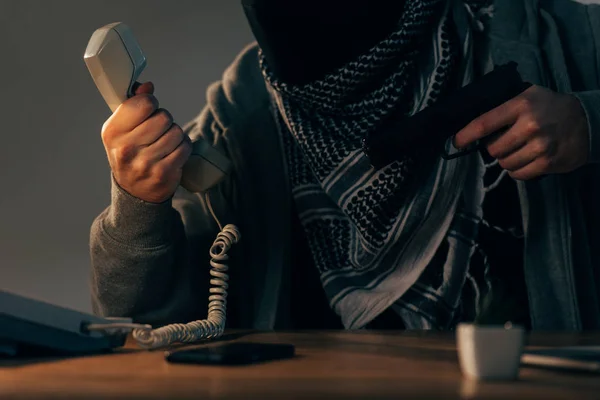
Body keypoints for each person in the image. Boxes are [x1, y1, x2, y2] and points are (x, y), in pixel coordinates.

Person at [90, 0, 600, 332]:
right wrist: (138, 204)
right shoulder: (242, 121)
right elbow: (140, 325)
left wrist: (588, 122)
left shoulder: (567, 42)